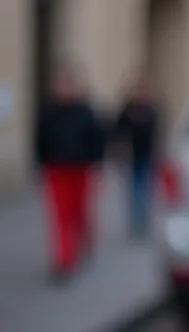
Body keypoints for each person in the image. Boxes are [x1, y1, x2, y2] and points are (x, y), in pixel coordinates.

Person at [34, 63, 107, 284]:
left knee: (81, 214)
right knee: (61, 217)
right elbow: (39, 140)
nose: (64, 88)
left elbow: (97, 139)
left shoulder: (85, 110)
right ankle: (65, 260)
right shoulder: (48, 110)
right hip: (56, 170)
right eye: (60, 83)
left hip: (81, 170)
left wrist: (97, 166)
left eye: (68, 83)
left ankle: (84, 245)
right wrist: (40, 165)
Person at [113, 70, 163, 239]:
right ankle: (136, 222)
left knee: (145, 188)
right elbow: (118, 131)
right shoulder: (128, 109)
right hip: (131, 155)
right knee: (134, 189)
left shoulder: (152, 108)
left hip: (147, 154)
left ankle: (143, 221)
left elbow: (158, 132)